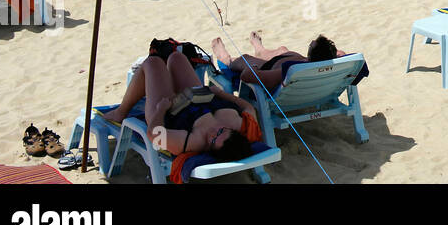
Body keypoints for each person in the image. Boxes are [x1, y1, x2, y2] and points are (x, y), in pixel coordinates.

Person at [100, 47, 257, 163]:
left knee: (153, 63)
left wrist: (161, 110)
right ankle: (161, 83)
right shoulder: (237, 124)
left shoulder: (193, 142)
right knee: (177, 58)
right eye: (221, 131)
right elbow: (249, 108)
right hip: (198, 97)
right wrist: (222, 94)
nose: (214, 132)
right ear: (232, 131)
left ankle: (121, 111)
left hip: (168, 110)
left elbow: (154, 134)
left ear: (212, 150)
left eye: (214, 139)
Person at [211, 33, 345, 94]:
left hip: (270, 67)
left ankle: (226, 59)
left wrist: (253, 67)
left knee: (244, 58)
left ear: (312, 54)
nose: (310, 43)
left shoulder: (290, 72)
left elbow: (248, 76)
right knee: (283, 50)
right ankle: (260, 50)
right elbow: (342, 53)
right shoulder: (333, 65)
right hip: (288, 60)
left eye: (312, 44)